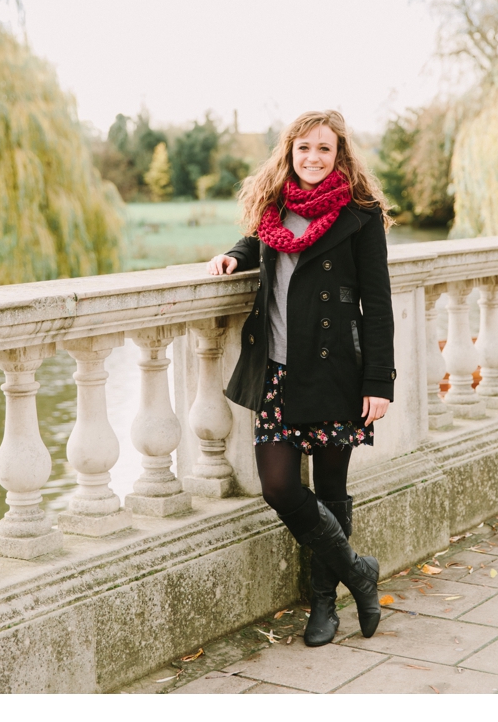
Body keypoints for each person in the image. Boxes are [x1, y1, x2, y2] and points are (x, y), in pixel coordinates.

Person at [207, 109, 395, 647]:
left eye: (324, 149)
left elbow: (377, 305)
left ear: (341, 156)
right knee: (280, 486)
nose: (313, 158)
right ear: (289, 153)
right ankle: (358, 572)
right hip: (277, 372)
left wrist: (378, 382)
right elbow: (262, 246)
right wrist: (233, 253)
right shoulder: (274, 208)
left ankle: (322, 603)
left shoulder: (360, 215)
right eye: (304, 149)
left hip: (337, 371)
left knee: (331, 489)